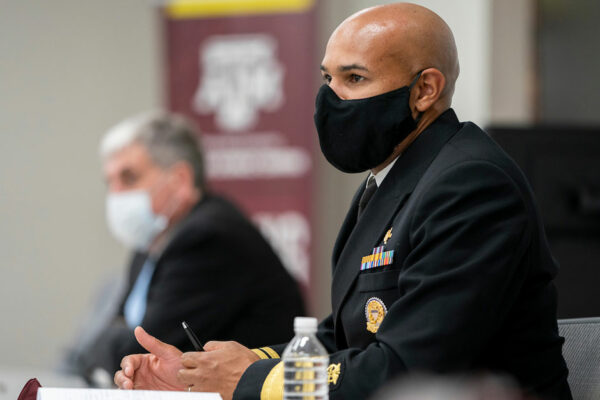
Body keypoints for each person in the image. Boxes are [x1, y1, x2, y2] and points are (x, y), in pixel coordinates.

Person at [114, 3, 572, 400]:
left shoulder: (472, 185)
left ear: (424, 90)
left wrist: (252, 379)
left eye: (355, 78)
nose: (330, 99)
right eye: (328, 77)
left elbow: (409, 369)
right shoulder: (393, 179)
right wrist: (209, 372)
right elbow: (343, 334)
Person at [75, 111, 305, 381]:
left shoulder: (210, 238)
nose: (115, 194)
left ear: (180, 180)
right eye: (109, 182)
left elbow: (139, 355)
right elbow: (110, 338)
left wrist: (109, 342)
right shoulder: (151, 239)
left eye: (129, 178)